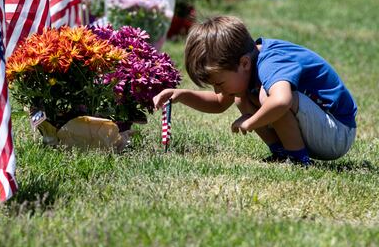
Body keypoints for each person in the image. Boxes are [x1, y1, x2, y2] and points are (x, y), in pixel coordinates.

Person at [153, 16, 357, 165]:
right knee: (242, 98)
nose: (218, 90)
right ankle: (281, 152)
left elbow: (281, 101)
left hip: (337, 133)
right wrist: (181, 95)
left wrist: (250, 122)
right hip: (319, 129)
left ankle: (297, 159)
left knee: (269, 97)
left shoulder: (271, 62)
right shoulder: (246, 66)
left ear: (243, 63)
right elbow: (218, 103)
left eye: (220, 83)